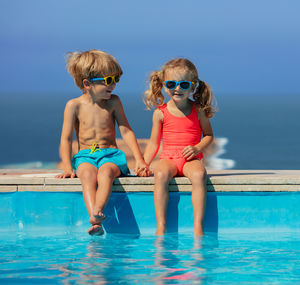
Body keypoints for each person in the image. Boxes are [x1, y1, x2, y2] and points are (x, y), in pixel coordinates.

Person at [56, 49, 149, 236]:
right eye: (108, 81)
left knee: (106, 172)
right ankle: (96, 221)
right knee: (87, 175)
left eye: (116, 80)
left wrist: (140, 160)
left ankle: (97, 213)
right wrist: (67, 166)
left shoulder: (114, 102)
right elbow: (66, 139)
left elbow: (125, 130)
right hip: (85, 155)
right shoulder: (74, 105)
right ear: (87, 83)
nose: (113, 85)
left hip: (111, 154)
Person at [138, 58, 216, 236]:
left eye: (184, 84)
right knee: (161, 174)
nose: (177, 88)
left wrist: (197, 148)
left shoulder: (198, 110)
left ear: (193, 86)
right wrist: (145, 163)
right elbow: (153, 142)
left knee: (199, 175)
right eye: (172, 84)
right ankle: (161, 225)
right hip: (169, 158)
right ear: (165, 86)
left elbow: (209, 136)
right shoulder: (160, 112)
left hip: (191, 159)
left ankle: (198, 226)